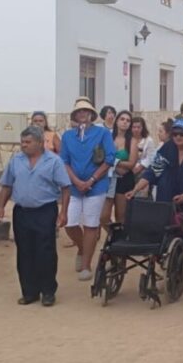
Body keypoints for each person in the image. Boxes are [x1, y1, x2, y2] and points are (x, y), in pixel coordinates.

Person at [0, 126, 70, 306]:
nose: (23, 146)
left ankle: (48, 291)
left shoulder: (53, 161)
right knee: (24, 251)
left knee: (45, 251)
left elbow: (65, 188)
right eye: (22, 142)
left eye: (28, 142)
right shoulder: (16, 160)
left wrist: (64, 212)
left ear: (40, 142)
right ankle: (29, 292)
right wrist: (0, 206)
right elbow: (7, 185)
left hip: (45, 210)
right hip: (21, 212)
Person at [128, 119, 183, 269]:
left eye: (182, 134)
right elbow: (152, 172)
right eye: (175, 134)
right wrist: (135, 190)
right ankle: (164, 257)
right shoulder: (167, 149)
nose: (178, 137)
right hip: (168, 197)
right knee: (163, 226)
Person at [60, 97, 116, 282]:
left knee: (91, 224)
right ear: (75, 115)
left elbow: (109, 158)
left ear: (91, 114)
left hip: (97, 185)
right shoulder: (68, 136)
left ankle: (86, 264)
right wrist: (76, 181)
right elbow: (64, 161)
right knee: (69, 223)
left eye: (85, 111)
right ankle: (83, 248)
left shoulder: (102, 133)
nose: (82, 114)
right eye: (79, 112)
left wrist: (91, 179)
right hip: (74, 186)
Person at [104, 110, 138, 229]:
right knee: (103, 216)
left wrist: (114, 162)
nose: (125, 122)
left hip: (124, 180)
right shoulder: (107, 137)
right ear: (116, 121)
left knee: (121, 216)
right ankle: (112, 236)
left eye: (128, 120)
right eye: (122, 119)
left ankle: (120, 242)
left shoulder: (132, 141)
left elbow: (132, 164)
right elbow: (101, 156)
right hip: (107, 178)